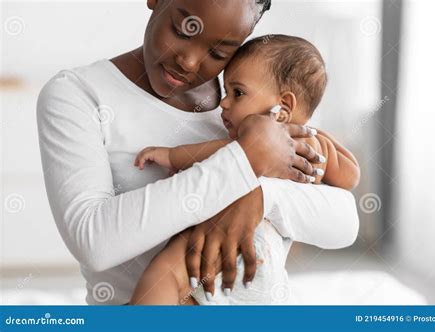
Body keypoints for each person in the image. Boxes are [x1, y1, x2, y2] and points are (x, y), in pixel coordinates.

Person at [36, 0, 359, 305]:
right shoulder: (78, 94)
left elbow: (344, 224)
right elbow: (94, 242)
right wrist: (243, 163)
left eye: (219, 53)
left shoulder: (250, 103)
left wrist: (260, 195)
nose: (189, 62)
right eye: (182, 30)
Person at [130, 35, 360, 305]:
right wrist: (326, 146)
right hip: (257, 270)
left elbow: (218, 152)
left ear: (282, 108)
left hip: (225, 257)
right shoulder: (312, 146)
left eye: (237, 92)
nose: (224, 103)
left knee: (163, 276)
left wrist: (172, 156)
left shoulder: (258, 138)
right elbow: (350, 176)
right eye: (226, 92)